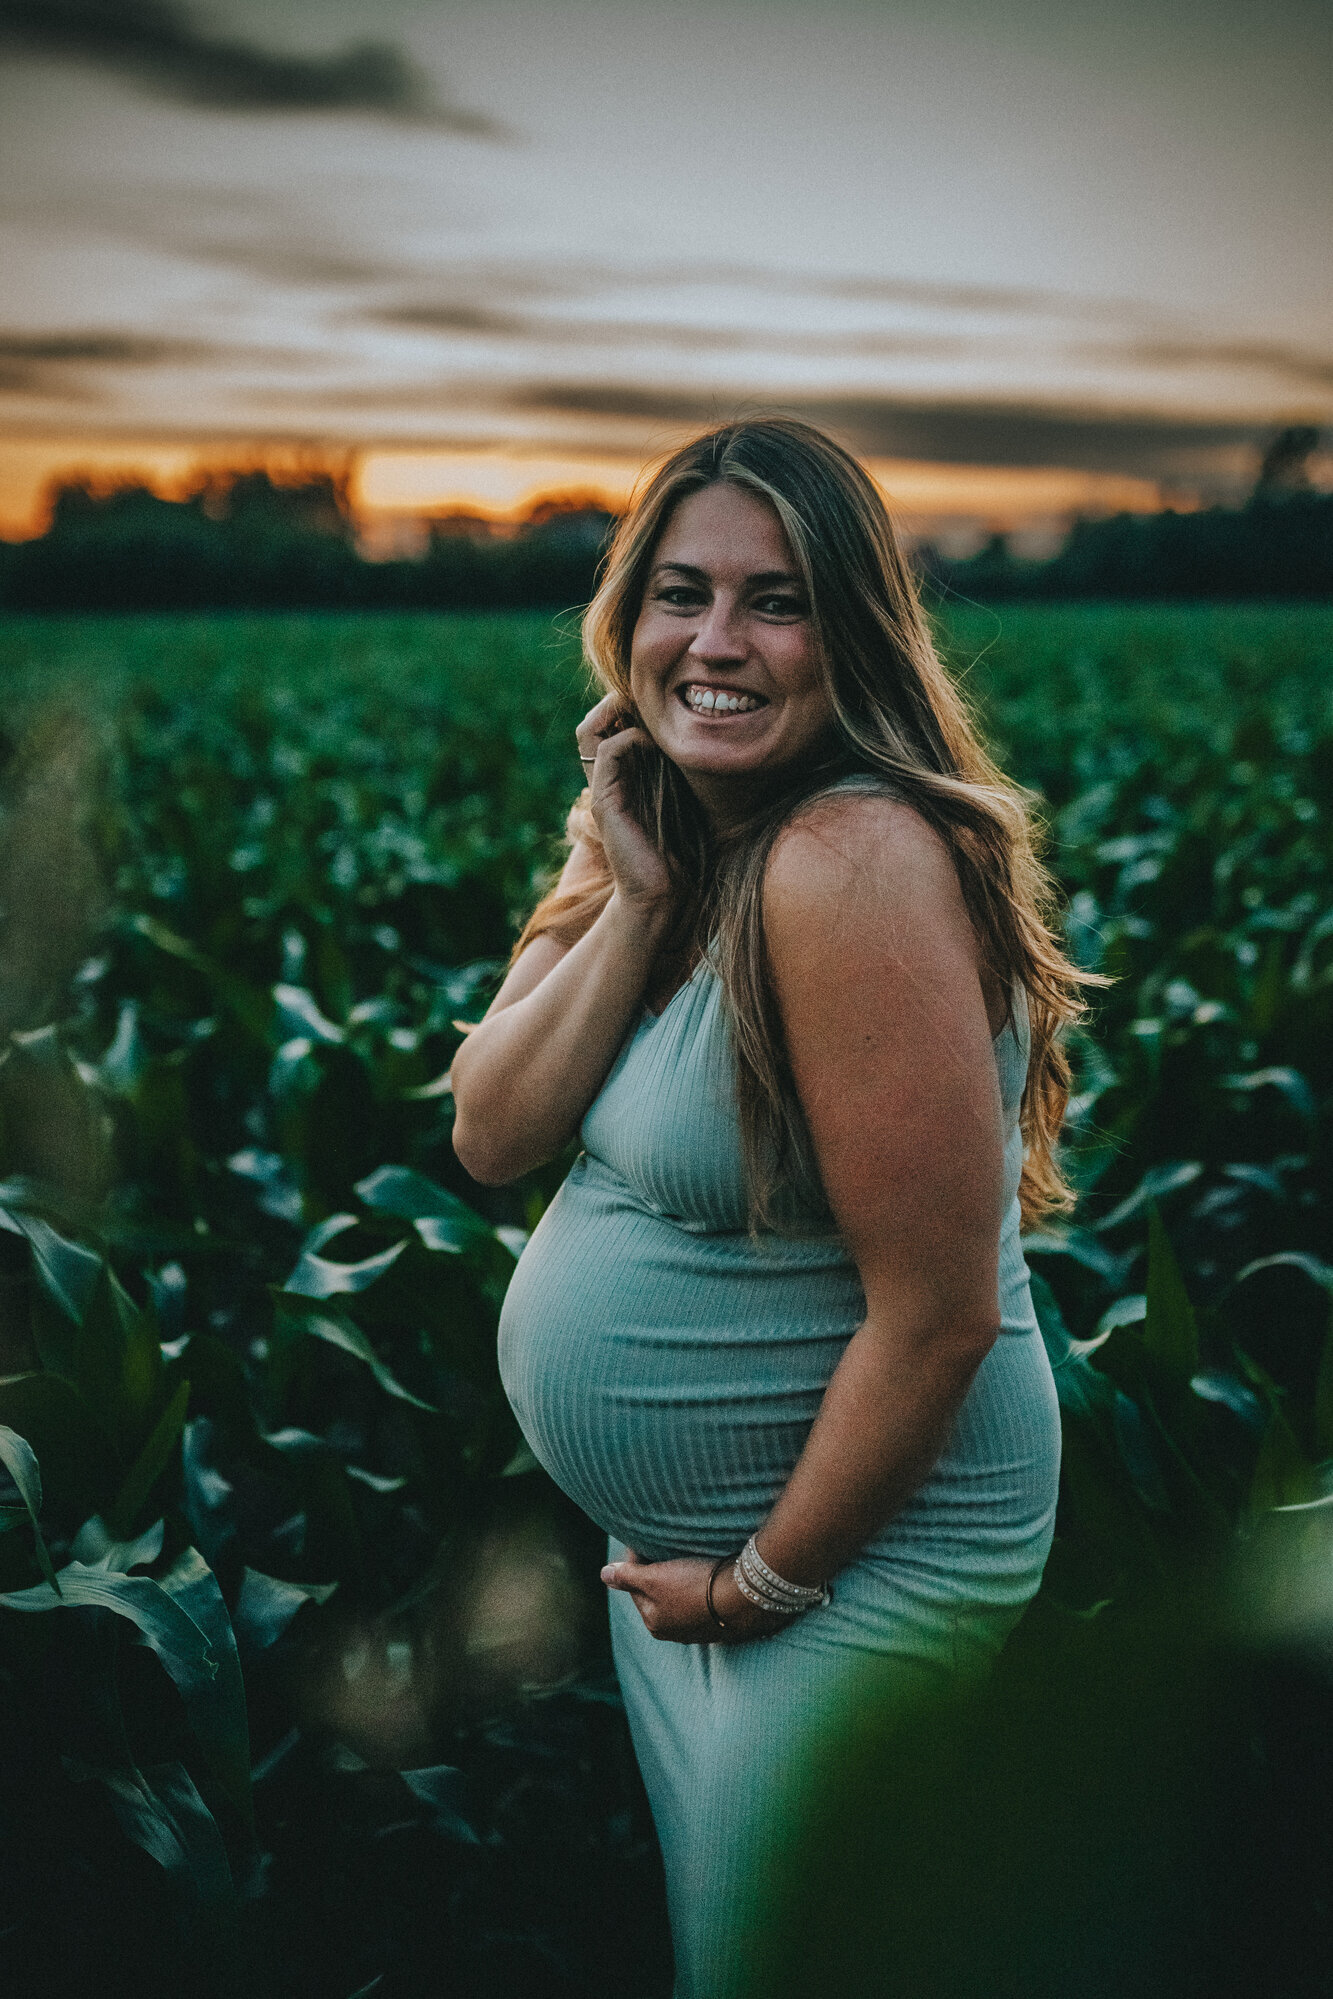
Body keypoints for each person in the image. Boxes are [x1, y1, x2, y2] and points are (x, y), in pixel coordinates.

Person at [450, 417, 1085, 1996]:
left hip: (861, 1551)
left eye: (775, 601)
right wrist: (637, 898)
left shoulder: (847, 857)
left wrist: (763, 1583)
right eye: (680, 594)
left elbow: (938, 1314)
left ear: (851, 634)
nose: (714, 644)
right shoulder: (659, 838)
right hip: (700, 1557)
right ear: (627, 620)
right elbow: (489, 1127)